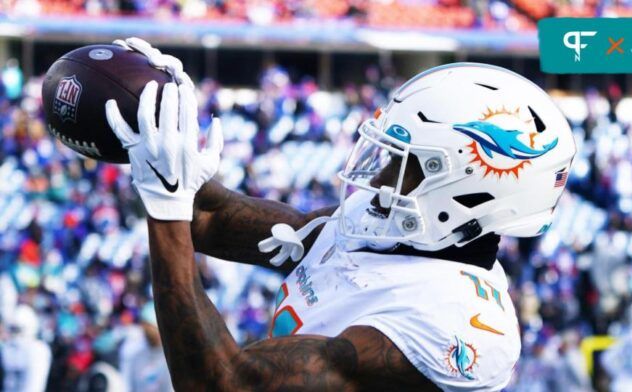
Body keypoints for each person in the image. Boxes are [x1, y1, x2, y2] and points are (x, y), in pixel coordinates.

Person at [104, 38, 575, 391]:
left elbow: (224, 384)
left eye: (405, 163)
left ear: (470, 197)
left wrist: (165, 205)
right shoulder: (390, 233)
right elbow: (210, 217)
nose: (382, 173)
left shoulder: (458, 326)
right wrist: (164, 130)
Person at [1, 304, 52, 392]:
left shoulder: (38, 349)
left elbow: (34, 386)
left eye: (16, 329)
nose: (14, 334)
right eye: (12, 329)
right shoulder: (7, 348)